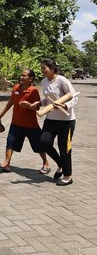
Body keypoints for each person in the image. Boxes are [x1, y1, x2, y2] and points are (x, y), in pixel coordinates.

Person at [21, 58, 78, 186]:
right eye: (41, 68)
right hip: (50, 120)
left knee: (64, 149)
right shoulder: (44, 82)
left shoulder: (62, 80)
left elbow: (74, 98)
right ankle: (61, 164)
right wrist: (39, 103)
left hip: (66, 121)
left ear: (52, 68)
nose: (42, 71)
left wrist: (64, 106)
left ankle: (68, 176)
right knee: (44, 142)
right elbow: (49, 100)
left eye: (44, 68)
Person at [0, 68, 50, 173]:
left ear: (31, 78)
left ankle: (46, 164)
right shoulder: (16, 88)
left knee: (38, 146)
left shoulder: (33, 91)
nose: (21, 77)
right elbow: (11, 102)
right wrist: (2, 113)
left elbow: (37, 108)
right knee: (10, 143)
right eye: (21, 75)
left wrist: (28, 106)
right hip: (16, 123)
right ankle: (6, 164)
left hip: (31, 125)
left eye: (24, 76)